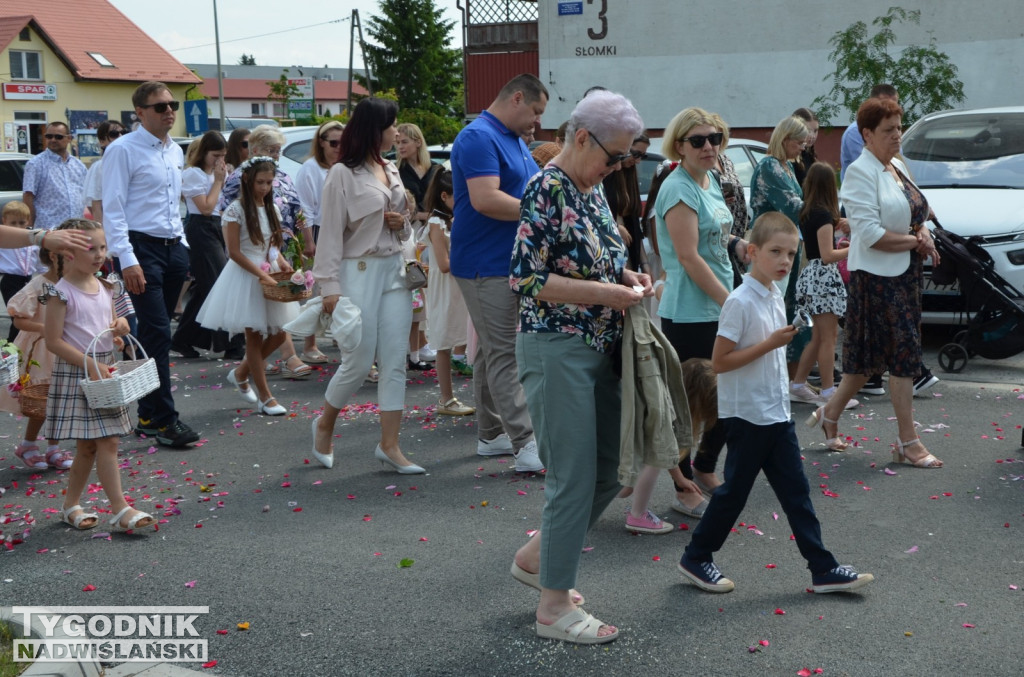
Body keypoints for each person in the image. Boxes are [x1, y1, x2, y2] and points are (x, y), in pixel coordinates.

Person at [509, 89, 650, 644]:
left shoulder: (589, 191)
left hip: (598, 343)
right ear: (582, 137)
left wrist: (629, 281)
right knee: (572, 477)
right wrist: (604, 292)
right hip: (557, 345)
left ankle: (539, 559)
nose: (616, 167)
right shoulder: (546, 186)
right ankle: (552, 606)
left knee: (610, 469)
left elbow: (609, 263)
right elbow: (525, 279)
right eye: (612, 156)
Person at [678, 212, 874, 595]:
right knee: (734, 493)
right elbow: (720, 361)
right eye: (775, 252)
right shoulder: (739, 300)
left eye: (790, 253)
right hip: (748, 415)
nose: (785, 261)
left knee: (796, 494)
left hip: (774, 412)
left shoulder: (771, 293)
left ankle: (822, 568)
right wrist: (771, 344)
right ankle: (696, 556)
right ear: (751, 252)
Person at [810, 97, 944, 469]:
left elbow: (916, 213)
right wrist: (917, 241)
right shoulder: (859, 171)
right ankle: (908, 442)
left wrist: (923, 233)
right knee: (903, 359)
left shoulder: (896, 166)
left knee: (865, 363)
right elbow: (868, 233)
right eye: (889, 130)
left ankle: (829, 415)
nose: (897, 135)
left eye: (899, 127)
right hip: (877, 280)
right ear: (867, 134)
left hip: (904, 276)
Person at [310, 97, 421, 473]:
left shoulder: (390, 168)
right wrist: (328, 287)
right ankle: (325, 422)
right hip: (357, 271)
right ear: (376, 128)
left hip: (394, 270)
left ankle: (390, 445)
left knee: (394, 361)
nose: (397, 132)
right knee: (358, 361)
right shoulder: (341, 174)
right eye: (392, 125)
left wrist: (400, 224)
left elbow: (405, 223)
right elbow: (329, 236)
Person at [449, 73, 547, 473]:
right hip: (483, 263)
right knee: (507, 351)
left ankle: (491, 434)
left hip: (502, 261)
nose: (537, 122)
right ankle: (525, 443)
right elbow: (486, 199)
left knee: (495, 349)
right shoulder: (479, 137)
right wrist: (541, 214)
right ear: (517, 98)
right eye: (536, 112)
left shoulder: (509, 138)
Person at [654, 107, 746, 509]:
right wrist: (730, 303)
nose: (709, 146)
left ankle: (704, 466)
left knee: (728, 396)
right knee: (691, 406)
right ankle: (683, 486)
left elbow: (716, 238)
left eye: (715, 139)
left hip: (717, 306)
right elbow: (689, 257)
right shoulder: (677, 188)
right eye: (698, 140)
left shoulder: (707, 181)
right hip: (691, 312)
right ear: (679, 146)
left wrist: (739, 245)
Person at [40, 219, 157, 532]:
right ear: (65, 252)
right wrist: (89, 364)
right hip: (79, 372)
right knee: (104, 443)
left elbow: (113, 326)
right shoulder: (60, 292)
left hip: (104, 370)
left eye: (102, 248)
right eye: (90, 248)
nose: (99, 255)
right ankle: (120, 508)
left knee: (93, 446)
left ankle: (70, 506)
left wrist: (119, 331)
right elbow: (53, 341)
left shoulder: (106, 286)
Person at [101, 81, 200, 448]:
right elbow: (113, 208)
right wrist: (126, 258)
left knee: (155, 334)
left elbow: (175, 205)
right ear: (139, 113)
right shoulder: (123, 150)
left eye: (172, 104)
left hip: (173, 247)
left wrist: (184, 246)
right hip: (141, 248)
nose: (169, 111)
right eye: (160, 107)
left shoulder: (174, 150)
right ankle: (163, 420)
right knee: (157, 332)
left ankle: (145, 411)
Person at [197, 157, 298, 416]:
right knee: (253, 337)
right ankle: (265, 397)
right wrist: (262, 276)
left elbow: (272, 247)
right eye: (260, 182)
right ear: (247, 180)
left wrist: (283, 265)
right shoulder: (235, 210)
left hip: (268, 272)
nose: (264, 187)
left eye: (269, 182)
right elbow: (234, 252)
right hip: (245, 275)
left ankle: (241, 372)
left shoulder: (271, 209)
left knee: (279, 333)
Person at [219, 125, 315, 376]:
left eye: (279, 150)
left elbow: (297, 208)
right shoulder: (240, 178)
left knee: (282, 310)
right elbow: (230, 214)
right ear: (256, 148)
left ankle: (251, 366)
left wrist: (305, 240)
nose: (276, 155)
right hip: (254, 250)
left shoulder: (281, 175)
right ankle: (286, 357)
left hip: (280, 245)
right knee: (264, 318)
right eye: (272, 150)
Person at [789, 162, 857, 410]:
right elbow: (828, 255)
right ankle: (829, 392)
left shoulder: (809, 212)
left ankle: (798, 384)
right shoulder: (824, 215)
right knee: (829, 337)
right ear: (831, 187)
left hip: (812, 277)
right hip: (824, 277)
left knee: (818, 337)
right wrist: (854, 248)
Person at [170, 130, 243, 360]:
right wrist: (220, 181)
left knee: (205, 289)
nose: (219, 160)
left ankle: (183, 339)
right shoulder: (194, 174)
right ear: (204, 153)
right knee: (220, 284)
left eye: (223, 155)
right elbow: (205, 206)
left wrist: (223, 178)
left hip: (215, 226)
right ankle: (231, 344)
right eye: (215, 155)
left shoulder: (215, 173)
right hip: (201, 228)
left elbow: (222, 204)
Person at [1, 240, 67, 469]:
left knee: (62, 400)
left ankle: (53, 447)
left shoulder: (76, 283)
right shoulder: (38, 285)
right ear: (51, 256)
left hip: (68, 349)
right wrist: (45, 328)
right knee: (43, 400)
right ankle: (28, 445)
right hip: (42, 350)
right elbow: (18, 318)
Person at [418, 169, 475, 416]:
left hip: (463, 286)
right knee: (444, 342)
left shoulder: (459, 217)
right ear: (444, 195)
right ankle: (446, 398)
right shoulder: (436, 222)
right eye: (459, 196)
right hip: (447, 287)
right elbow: (443, 263)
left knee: (467, 337)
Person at [22, 121, 87, 233]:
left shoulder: (78, 165)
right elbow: (28, 197)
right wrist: (29, 229)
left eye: (58, 137)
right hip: (49, 231)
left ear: (69, 138)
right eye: (49, 136)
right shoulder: (35, 164)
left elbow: (87, 196)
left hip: (77, 230)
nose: (53, 140)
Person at [603, 133, 649, 275]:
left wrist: (645, 263)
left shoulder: (630, 176)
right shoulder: (605, 175)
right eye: (636, 154)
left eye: (642, 156)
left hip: (628, 252)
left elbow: (635, 227)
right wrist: (616, 227)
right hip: (610, 251)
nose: (638, 161)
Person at [840, 84, 898, 180]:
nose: (890, 110)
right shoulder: (855, 132)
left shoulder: (895, 131)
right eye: (885, 105)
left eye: (894, 105)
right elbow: (868, 169)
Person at [0, 201, 37, 341]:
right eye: (13, 223)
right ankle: (11, 348)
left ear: (28, 220)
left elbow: (38, 262)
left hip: (28, 281)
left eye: (21, 223)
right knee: (17, 317)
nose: (18, 227)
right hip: (10, 281)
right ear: (4, 222)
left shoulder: (32, 240)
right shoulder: (4, 241)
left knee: (26, 316)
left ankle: (18, 347)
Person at [83, 120, 127, 224]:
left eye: (124, 133)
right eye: (114, 134)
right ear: (102, 141)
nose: (121, 137)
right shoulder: (100, 167)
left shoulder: (134, 162)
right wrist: (104, 235)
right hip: (115, 229)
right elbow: (95, 205)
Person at [792, 108, 819, 187]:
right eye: (808, 130)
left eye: (815, 131)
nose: (812, 136)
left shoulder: (810, 155)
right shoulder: (790, 158)